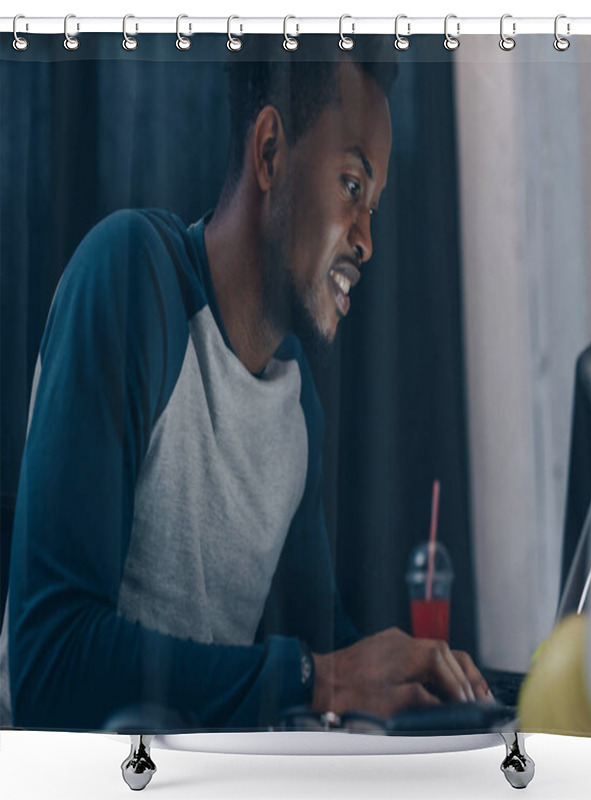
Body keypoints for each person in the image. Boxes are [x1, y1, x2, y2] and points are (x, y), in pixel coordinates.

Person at [0, 42, 491, 732]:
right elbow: (48, 664)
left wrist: (423, 680)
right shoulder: (130, 278)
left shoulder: (296, 412)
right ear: (269, 153)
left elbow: (326, 652)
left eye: (374, 206)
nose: (366, 241)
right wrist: (322, 678)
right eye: (353, 187)